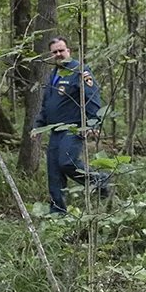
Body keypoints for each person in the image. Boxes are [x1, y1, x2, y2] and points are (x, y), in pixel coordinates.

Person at [34, 36, 111, 214]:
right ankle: (57, 213)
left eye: (61, 50)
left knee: (67, 163)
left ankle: (100, 180)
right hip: (55, 131)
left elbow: (92, 97)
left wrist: (93, 123)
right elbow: (46, 105)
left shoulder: (80, 70)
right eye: (55, 52)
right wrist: (38, 126)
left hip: (73, 128)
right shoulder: (53, 75)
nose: (58, 54)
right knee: (54, 173)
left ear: (69, 51)